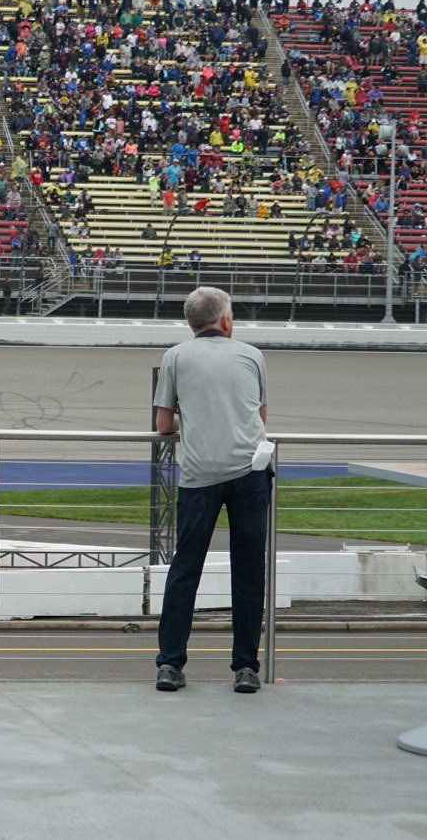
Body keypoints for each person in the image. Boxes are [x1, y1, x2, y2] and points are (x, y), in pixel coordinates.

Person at [152, 287, 270, 695]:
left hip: (200, 475)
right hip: (251, 472)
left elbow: (163, 425)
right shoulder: (252, 355)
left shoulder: (175, 356)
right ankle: (246, 668)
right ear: (225, 321)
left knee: (185, 570)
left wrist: (192, 416)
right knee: (249, 572)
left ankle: (170, 664)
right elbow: (261, 417)